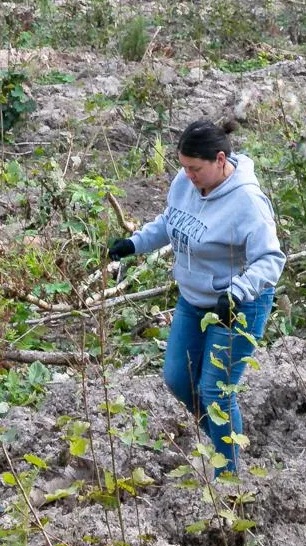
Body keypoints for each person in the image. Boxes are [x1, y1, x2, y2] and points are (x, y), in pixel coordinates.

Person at [107, 120, 284, 474]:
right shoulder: (185, 182)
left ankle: (229, 476)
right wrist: (135, 243)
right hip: (193, 299)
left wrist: (237, 293)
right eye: (183, 167)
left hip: (239, 305)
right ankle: (227, 441)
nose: (188, 175)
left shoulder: (247, 201)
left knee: (216, 390)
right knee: (177, 378)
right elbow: (172, 221)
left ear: (220, 160)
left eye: (195, 168)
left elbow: (270, 260)